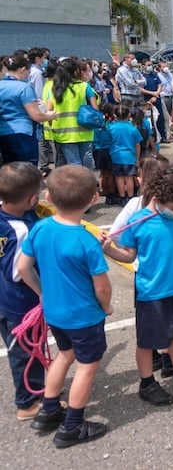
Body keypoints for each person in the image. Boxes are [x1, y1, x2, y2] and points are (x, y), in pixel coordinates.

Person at [18, 165, 112, 447]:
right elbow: (102, 287)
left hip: (54, 313)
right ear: (93, 199)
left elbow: (23, 267)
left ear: (48, 195)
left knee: (64, 355)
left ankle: (48, 409)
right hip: (84, 317)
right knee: (87, 365)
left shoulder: (40, 228)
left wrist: (43, 293)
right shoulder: (87, 241)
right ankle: (71, 426)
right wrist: (106, 307)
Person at [103, 164, 173, 405]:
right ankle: (147, 383)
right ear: (158, 197)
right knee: (148, 341)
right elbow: (129, 256)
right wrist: (109, 250)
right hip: (153, 292)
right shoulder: (139, 221)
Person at [0, 162, 44, 422]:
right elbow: (21, 271)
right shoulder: (21, 231)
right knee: (25, 352)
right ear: (31, 199)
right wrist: (42, 292)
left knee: (21, 349)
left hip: (4, 298)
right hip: (19, 302)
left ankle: (35, 390)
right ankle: (26, 403)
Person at [1, 54, 58, 165]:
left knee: (9, 169)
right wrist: (51, 115)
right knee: (26, 171)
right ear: (23, 70)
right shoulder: (24, 88)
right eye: (28, 71)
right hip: (23, 133)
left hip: (3, 132)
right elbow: (36, 115)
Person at [48, 59, 99, 169]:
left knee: (73, 162)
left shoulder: (54, 88)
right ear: (75, 72)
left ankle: (78, 184)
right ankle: (88, 183)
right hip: (85, 130)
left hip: (63, 132)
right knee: (87, 159)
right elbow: (95, 108)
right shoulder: (84, 86)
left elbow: (49, 111)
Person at [108, 103, 142, 205]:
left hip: (116, 156)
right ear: (128, 115)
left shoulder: (111, 128)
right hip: (130, 156)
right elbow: (137, 144)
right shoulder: (132, 129)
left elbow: (108, 141)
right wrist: (137, 157)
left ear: (115, 115)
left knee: (119, 177)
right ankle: (130, 197)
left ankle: (122, 197)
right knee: (129, 177)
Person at [140, 60, 164, 143]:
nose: (150, 66)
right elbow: (140, 89)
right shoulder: (141, 76)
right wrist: (152, 94)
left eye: (151, 65)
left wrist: (156, 94)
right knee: (150, 119)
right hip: (147, 100)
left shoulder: (154, 74)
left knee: (160, 118)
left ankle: (162, 136)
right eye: (148, 65)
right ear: (143, 66)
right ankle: (152, 138)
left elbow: (160, 85)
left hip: (157, 98)